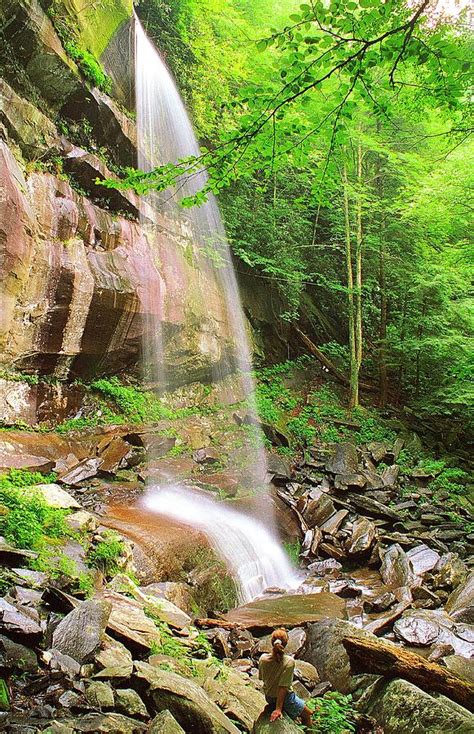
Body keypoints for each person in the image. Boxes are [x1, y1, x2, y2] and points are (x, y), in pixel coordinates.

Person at [258, 627, 312, 727]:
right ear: (285, 644)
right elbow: (283, 687)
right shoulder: (289, 661)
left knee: (303, 708)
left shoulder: (262, 658)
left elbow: (261, 678)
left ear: (272, 642)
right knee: (308, 714)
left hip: (269, 697)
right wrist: (278, 709)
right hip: (285, 698)